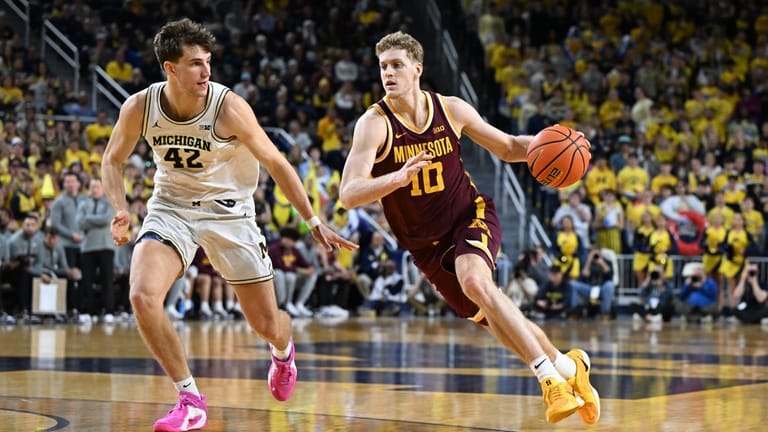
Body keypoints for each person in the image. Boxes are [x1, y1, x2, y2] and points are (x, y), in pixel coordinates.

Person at [101, 19, 356, 432]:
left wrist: (312, 219)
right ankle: (189, 398)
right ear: (170, 68)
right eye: (196, 64)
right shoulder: (140, 107)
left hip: (230, 213)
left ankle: (283, 350)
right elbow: (112, 159)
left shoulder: (229, 106)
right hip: (172, 207)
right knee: (143, 295)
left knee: (266, 324)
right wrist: (120, 208)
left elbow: (276, 162)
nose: (206, 72)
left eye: (208, 62)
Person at [338, 31, 599, 425]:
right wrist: (394, 179)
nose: (388, 73)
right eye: (383, 67)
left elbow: (510, 146)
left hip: (469, 215)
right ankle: (567, 366)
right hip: (425, 246)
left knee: (476, 281)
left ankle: (550, 382)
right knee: (494, 316)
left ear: (417, 69)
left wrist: (557, 145)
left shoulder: (451, 110)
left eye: (396, 65)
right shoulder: (373, 125)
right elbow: (349, 193)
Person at [569, 246, 615, 319]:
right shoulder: (586, 262)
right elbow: (584, 276)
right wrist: (589, 260)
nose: (595, 255)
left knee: (609, 285)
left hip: (601, 288)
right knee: (572, 284)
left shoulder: (607, 262)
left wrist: (602, 263)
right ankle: (575, 311)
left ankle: (606, 313)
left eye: (597, 252)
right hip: (589, 288)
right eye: (593, 253)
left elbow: (610, 275)